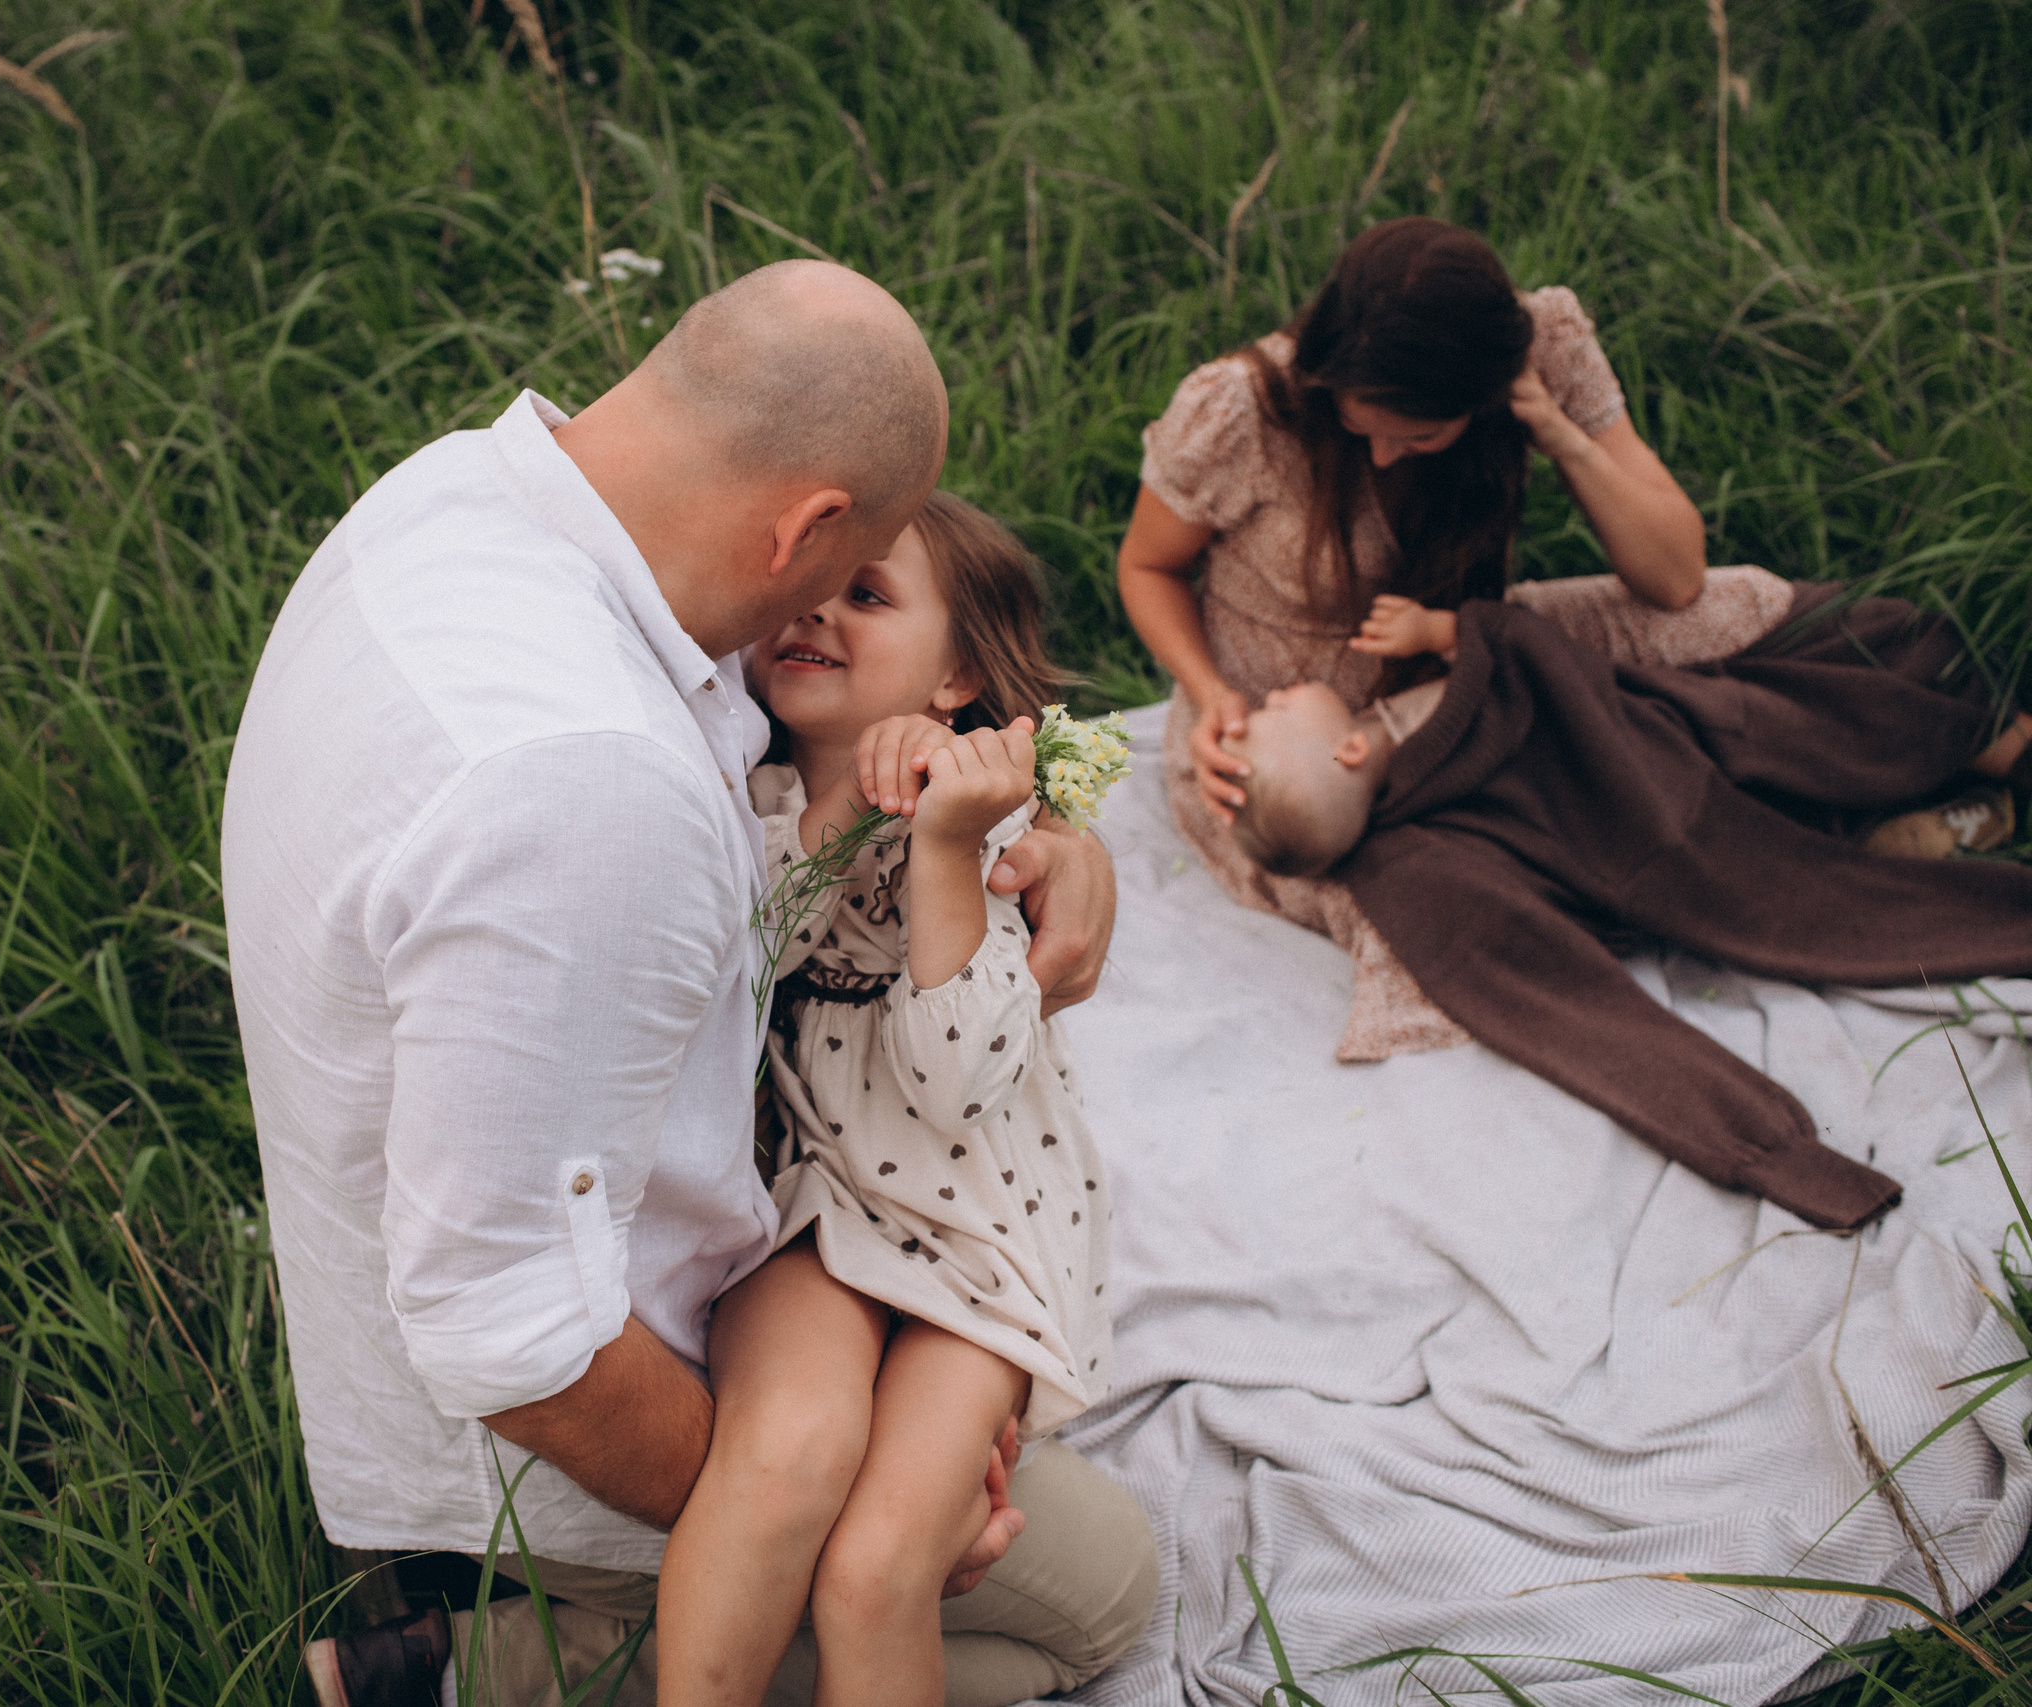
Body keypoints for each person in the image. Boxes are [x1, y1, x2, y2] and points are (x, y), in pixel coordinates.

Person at [221, 259, 1152, 1707]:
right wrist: (794, 1502)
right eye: (838, 570)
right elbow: (514, 1342)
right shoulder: (586, 786)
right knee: (1089, 1598)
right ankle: (493, 1654)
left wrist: (1052, 844)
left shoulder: (462, 498)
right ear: (803, 524)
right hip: (576, 1423)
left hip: (763, 1239)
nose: (814, 623)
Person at [656, 495, 1123, 1707]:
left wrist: (946, 849)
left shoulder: (1000, 830)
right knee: (774, 1460)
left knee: (874, 1570)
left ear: (959, 667)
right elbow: (728, 979)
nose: (816, 609)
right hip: (813, 1206)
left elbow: (958, 1082)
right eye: (803, 587)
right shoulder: (731, 800)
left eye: (866, 595)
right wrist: (834, 818)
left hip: (979, 1236)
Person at [1115, 216, 1778, 1060]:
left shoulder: (1546, 351)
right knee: (1434, 895)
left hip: (1463, 674)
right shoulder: (1246, 406)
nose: (1386, 458)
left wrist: (1558, 431)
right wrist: (1210, 695)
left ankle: (1840, 771)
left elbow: (1676, 576)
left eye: (1420, 435)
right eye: (1364, 429)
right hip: (1290, 757)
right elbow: (1148, 568)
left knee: (1727, 613)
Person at [1219, 591, 2032, 1228]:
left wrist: (1456, 633)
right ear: (1347, 749)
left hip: (1674, 725)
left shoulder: (1412, 745)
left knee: (1789, 714)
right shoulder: (1412, 869)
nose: (1270, 699)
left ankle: (1961, 742)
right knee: (1822, 894)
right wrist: (1772, 1152)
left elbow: (1552, 660)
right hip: (1669, 830)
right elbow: (1566, 1008)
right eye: (1274, 715)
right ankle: (1946, 780)